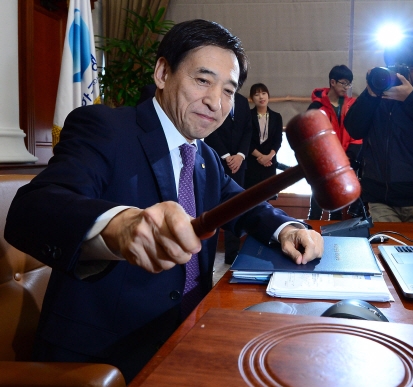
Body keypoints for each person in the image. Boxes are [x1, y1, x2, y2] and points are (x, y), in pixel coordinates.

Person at [4, 19, 323, 383]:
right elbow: (32, 209)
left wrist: (287, 227)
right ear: (162, 73)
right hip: (104, 360)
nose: (215, 102)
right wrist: (118, 225)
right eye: (203, 80)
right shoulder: (105, 128)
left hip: (189, 340)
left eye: (229, 90)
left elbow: (245, 204)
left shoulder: (203, 156)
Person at [344, 31, 413, 223]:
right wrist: (370, 94)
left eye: (411, 69)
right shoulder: (378, 95)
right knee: (382, 251)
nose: (402, 75)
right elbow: (354, 128)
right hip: (381, 199)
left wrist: (412, 99)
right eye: (396, 68)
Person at [307, 65, 363, 221]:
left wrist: (349, 158)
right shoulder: (317, 107)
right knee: (317, 203)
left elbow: (357, 134)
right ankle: (311, 234)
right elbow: (310, 135)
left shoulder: (352, 106)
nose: (347, 87)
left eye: (349, 84)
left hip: (344, 162)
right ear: (333, 82)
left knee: (338, 205)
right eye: (344, 83)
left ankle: (336, 238)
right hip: (322, 163)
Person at [204, 92, 252, 264]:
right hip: (216, 159)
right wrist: (226, 155)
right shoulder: (212, 97)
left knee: (236, 207)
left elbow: (248, 129)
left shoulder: (242, 101)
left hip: (239, 164)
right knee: (212, 209)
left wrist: (240, 155)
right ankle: (206, 256)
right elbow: (210, 130)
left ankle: (232, 255)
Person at [244, 83, 283, 191]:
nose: (261, 97)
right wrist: (261, 157)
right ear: (252, 99)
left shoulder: (276, 117)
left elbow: (278, 140)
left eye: (264, 93)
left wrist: (269, 156)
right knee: (250, 197)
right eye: (257, 94)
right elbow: (246, 140)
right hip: (252, 162)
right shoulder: (248, 116)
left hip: (269, 163)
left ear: (268, 96)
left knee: (267, 197)